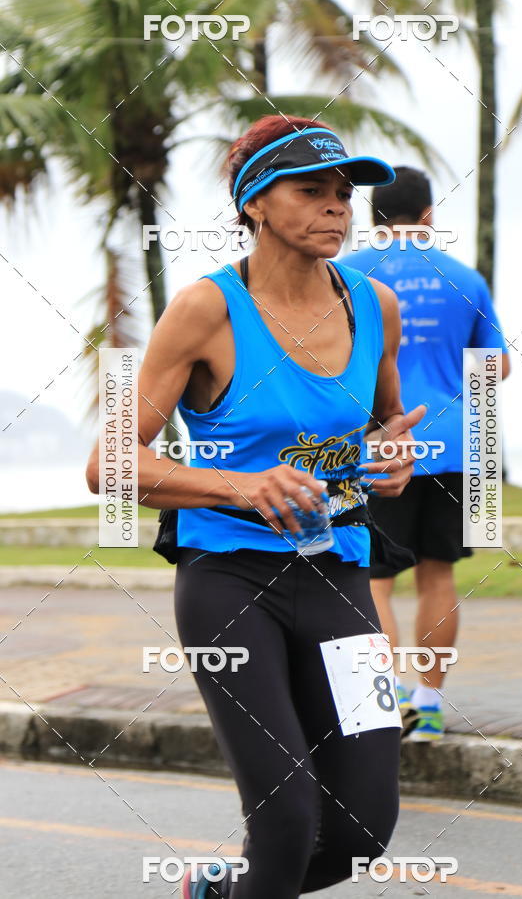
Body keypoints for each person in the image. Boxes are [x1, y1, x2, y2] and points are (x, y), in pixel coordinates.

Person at [86, 118, 426, 898]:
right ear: (255, 205)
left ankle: (217, 893)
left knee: (363, 826)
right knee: (284, 816)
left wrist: (390, 461)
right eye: (312, 191)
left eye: (345, 194)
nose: (337, 207)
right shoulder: (205, 309)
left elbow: (382, 429)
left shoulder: (376, 305)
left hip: (339, 575)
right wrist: (241, 484)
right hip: (228, 583)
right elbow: (111, 463)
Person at [343, 166, 510, 742]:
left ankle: (382, 708)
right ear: (429, 217)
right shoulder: (464, 277)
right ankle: (429, 707)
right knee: (438, 576)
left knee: (373, 580)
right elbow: (496, 366)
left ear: (370, 216)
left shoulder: (348, 275)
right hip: (455, 446)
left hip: (378, 450)